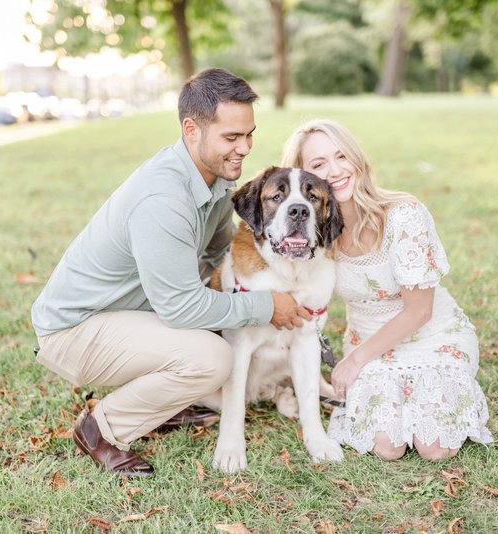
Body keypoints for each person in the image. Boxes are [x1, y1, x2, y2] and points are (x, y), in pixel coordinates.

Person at [31, 68, 311, 477]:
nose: (244, 148)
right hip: (74, 331)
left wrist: (287, 287)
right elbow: (181, 308)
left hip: (129, 314)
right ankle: (101, 428)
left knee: (217, 331)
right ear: (191, 129)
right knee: (213, 357)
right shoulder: (164, 199)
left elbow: (220, 257)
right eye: (231, 138)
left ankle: (165, 405)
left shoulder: (213, 180)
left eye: (248, 134)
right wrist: (266, 306)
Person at [280, 119, 492, 461]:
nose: (335, 170)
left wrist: (353, 361)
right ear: (302, 179)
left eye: (342, 156)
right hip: (370, 346)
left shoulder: (404, 216)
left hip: (433, 338)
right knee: (387, 448)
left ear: (357, 159)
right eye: (318, 165)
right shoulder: (315, 233)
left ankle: (447, 390)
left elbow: (420, 311)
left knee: (434, 448)